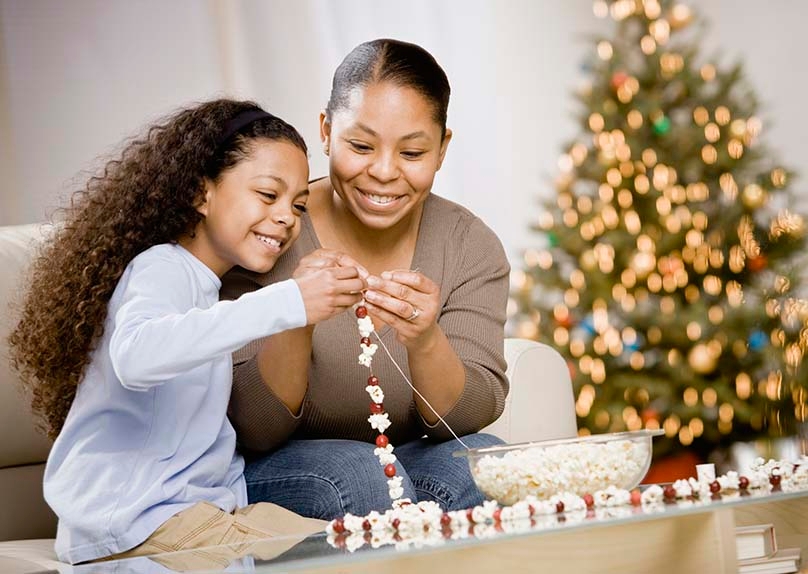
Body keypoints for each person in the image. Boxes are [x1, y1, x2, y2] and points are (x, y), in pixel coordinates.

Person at [7, 99, 368, 564]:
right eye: (267, 194)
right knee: (342, 560)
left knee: (362, 544)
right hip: (132, 525)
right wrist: (290, 301)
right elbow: (137, 356)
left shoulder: (207, 290)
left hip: (192, 515)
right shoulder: (161, 267)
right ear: (202, 193)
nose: (286, 217)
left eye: (297, 205)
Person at [222, 39, 510, 519]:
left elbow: (466, 424)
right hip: (276, 464)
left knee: (486, 466)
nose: (382, 172)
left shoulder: (468, 245)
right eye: (360, 146)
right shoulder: (267, 231)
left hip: (403, 456)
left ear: (442, 149)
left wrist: (425, 340)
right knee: (362, 476)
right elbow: (251, 427)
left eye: (412, 152)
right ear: (326, 131)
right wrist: (297, 312)